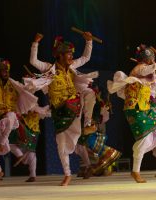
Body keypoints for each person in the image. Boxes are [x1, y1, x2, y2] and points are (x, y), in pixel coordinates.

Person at [29, 32, 94, 186]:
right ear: (59, 55)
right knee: (61, 144)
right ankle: (67, 174)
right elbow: (33, 60)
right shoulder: (49, 68)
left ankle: (88, 123)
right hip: (59, 111)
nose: (71, 57)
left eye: (72, 54)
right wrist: (35, 43)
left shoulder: (72, 67)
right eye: (68, 54)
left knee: (90, 92)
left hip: (74, 105)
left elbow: (85, 58)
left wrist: (89, 41)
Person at [108, 44, 156, 183]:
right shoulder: (140, 68)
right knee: (143, 139)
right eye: (152, 59)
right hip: (135, 107)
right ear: (147, 59)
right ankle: (135, 171)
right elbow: (149, 70)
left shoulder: (147, 72)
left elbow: (151, 81)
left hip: (144, 106)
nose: (152, 61)